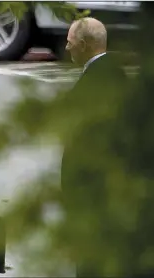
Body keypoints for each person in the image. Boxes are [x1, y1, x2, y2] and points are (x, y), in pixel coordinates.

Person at [61, 18, 128, 277]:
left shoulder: (97, 83)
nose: (67, 48)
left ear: (84, 44)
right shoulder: (114, 73)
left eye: (70, 43)